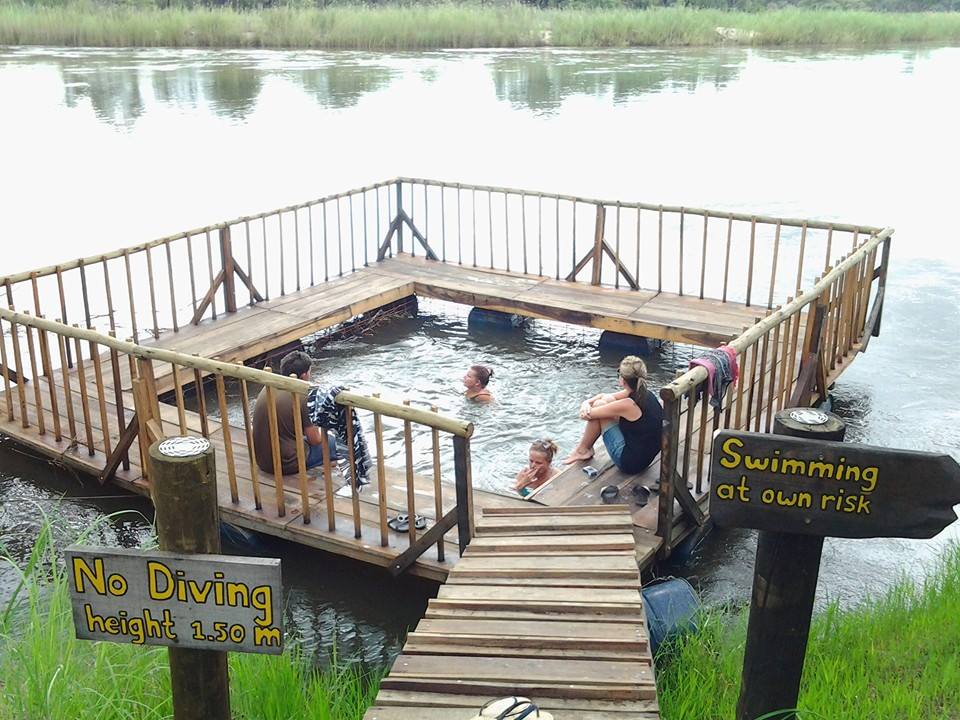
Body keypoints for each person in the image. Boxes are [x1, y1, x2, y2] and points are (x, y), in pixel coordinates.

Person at [563, 355, 663, 474]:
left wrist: (586, 406)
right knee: (604, 401)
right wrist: (587, 402)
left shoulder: (628, 405)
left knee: (599, 405)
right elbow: (605, 396)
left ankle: (583, 450)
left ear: (622, 380)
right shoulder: (645, 394)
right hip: (646, 457)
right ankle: (583, 450)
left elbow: (588, 414)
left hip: (630, 463)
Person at [251, 351, 337, 476]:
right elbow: (315, 440)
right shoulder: (302, 396)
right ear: (303, 375)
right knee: (335, 442)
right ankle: (327, 471)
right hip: (286, 463)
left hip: (262, 460)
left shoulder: (268, 386)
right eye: (309, 372)